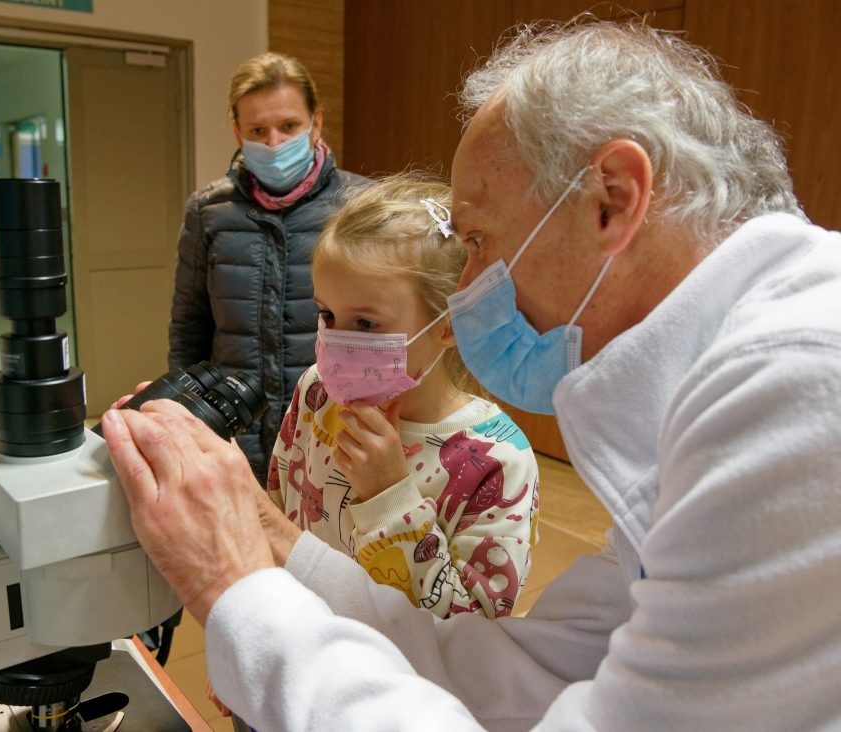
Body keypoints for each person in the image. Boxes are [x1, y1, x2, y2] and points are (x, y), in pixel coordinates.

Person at [104, 19, 841, 731]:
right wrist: (261, 533)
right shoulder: (709, 404)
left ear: (612, 199)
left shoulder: (796, 389)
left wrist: (237, 593)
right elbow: (528, 675)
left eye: (481, 241)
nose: (466, 287)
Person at [268, 174, 539, 619]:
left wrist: (389, 496)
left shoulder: (498, 463)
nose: (335, 342)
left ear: (450, 325)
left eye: (366, 324)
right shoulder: (317, 393)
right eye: (327, 314)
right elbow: (278, 518)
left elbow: (474, 627)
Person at [167, 52, 365, 481]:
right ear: (238, 132)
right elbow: (189, 331)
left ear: (316, 123)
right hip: (238, 438)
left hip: (333, 433)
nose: (274, 142)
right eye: (258, 130)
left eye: (289, 126)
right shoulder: (209, 212)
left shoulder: (359, 206)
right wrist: (191, 422)